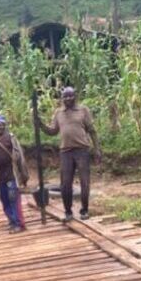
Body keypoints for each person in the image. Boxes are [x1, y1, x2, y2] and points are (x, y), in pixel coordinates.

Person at [38, 86, 101, 221]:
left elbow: (92, 131)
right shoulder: (58, 113)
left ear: (75, 96)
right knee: (65, 184)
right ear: (62, 98)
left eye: (70, 96)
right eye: (65, 96)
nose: (68, 99)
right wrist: (41, 124)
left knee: (84, 182)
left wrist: (97, 149)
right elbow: (52, 131)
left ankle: (84, 210)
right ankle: (68, 212)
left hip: (82, 151)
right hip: (65, 152)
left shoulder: (83, 110)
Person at [0, 115, 29, 233]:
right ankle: (12, 220)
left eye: (1, 125)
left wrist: (24, 175)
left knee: (13, 199)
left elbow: (20, 157)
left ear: (4, 126)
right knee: (4, 200)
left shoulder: (11, 139)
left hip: (11, 175)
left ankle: (18, 224)